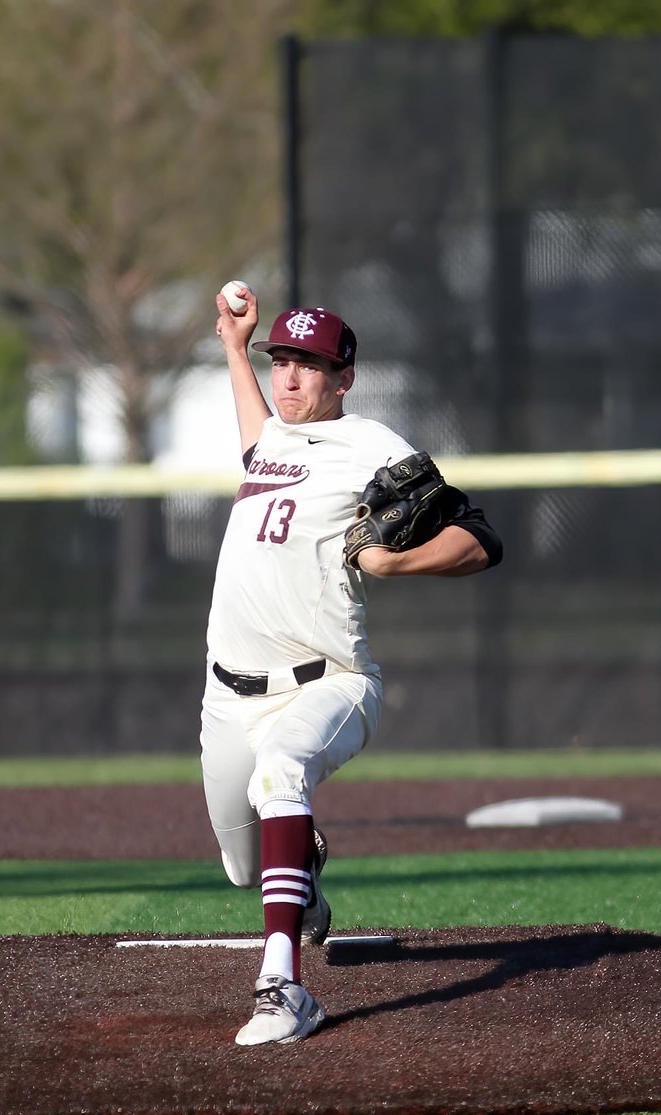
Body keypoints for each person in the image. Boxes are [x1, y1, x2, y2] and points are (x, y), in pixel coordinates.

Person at [201, 285, 502, 1046]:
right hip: (226, 697)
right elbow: (256, 439)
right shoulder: (271, 439)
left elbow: (481, 538)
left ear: (344, 379)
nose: (291, 377)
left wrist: (393, 566)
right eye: (283, 361)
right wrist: (236, 348)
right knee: (244, 867)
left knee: (280, 773)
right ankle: (303, 876)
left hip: (328, 680)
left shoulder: (376, 449)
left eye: (309, 364)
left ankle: (283, 989)